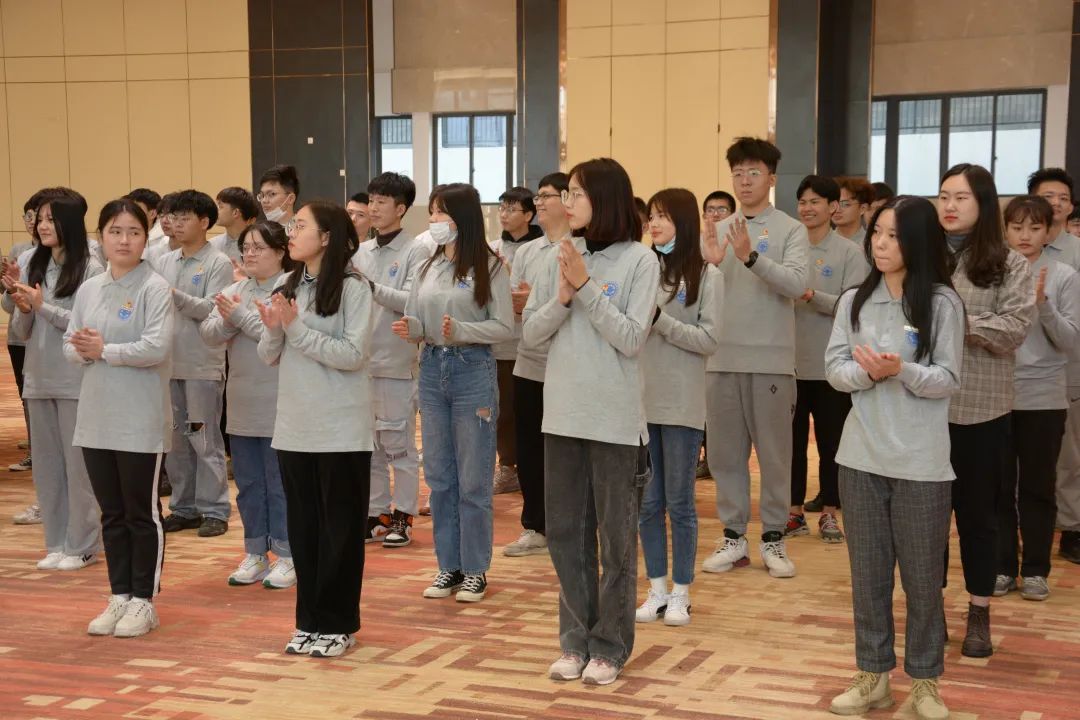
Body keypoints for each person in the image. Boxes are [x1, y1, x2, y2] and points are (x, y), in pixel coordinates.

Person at [824, 196, 963, 720]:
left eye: (893, 235)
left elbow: (948, 378)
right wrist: (868, 373)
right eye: (876, 232)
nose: (880, 243)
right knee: (869, 578)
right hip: (861, 458)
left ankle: (925, 682)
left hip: (922, 464)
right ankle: (873, 676)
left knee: (923, 581)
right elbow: (835, 369)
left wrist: (901, 370)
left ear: (918, 242)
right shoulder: (854, 301)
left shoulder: (942, 304)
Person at [522, 157, 659, 686]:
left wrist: (585, 288)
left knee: (615, 543)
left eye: (576, 193)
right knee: (565, 536)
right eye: (567, 193)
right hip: (562, 416)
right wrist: (562, 297)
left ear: (604, 199)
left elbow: (630, 338)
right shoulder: (560, 254)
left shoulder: (640, 261)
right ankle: (575, 641)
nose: (566, 202)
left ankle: (610, 646)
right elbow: (531, 334)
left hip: (615, 423)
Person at [256, 201, 373, 658]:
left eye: (300, 225)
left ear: (326, 237)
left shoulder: (353, 288)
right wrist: (274, 328)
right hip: (295, 428)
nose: (291, 232)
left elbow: (353, 355)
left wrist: (296, 329)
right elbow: (270, 354)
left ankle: (338, 624)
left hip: (340, 429)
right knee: (303, 532)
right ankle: (308, 621)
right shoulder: (288, 285)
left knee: (339, 531)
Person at [394, 183, 513, 603]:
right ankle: (449, 565)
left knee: (473, 479)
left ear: (462, 218)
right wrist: (413, 329)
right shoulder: (428, 266)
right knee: (440, 477)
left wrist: (463, 330)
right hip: (431, 367)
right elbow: (416, 317)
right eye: (432, 212)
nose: (434, 221)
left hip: (472, 370)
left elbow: (504, 326)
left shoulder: (490, 267)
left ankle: (475, 569)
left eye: (441, 213)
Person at [938, 163, 1034, 658]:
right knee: (927, 520)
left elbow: (1013, 330)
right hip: (925, 409)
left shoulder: (1008, 263)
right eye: (943, 196)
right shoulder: (923, 255)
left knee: (978, 518)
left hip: (982, 410)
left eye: (961, 197)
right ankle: (930, 610)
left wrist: (956, 321)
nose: (949, 206)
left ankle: (978, 612)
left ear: (984, 204)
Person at [65, 198, 174, 638]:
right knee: (111, 512)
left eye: (133, 232)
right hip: (96, 417)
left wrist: (103, 350)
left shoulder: (155, 287)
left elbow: (156, 347)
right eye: (115, 231)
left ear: (146, 238)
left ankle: (144, 600)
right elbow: (69, 344)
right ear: (101, 237)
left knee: (141, 513)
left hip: (140, 419)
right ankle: (120, 595)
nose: (124, 240)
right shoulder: (89, 289)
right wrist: (83, 350)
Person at [700, 137, 808, 580]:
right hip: (721, 358)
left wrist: (750, 258)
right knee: (725, 456)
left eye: (753, 173)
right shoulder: (717, 229)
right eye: (737, 173)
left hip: (771, 361)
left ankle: (774, 538)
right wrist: (709, 265)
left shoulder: (790, 229)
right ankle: (734, 537)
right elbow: (700, 296)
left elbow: (797, 284)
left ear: (771, 178)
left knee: (775, 456)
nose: (744, 181)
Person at [634, 188, 722, 628]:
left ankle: (682, 593)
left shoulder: (707, 274)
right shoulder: (642, 267)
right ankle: (657, 589)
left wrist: (661, 322)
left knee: (681, 503)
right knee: (648, 504)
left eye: (664, 216)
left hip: (683, 403)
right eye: (652, 216)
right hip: (641, 402)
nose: (654, 223)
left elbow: (708, 339)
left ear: (684, 222)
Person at [9, 195, 105, 570]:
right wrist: (23, 309)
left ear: (70, 222)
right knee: (48, 468)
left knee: (78, 468)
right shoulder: (32, 261)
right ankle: (56, 542)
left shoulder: (91, 268)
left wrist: (41, 306)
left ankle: (83, 544)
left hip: (74, 379)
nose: (43, 225)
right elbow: (22, 330)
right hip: (38, 377)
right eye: (40, 220)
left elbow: (84, 326)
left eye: (51, 219)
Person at [200, 221, 295, 588]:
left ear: (281, 251)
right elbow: (209, 333)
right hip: (241, 402)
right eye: (246, 247)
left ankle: (287, 554)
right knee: (250, 484)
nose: (250, 254)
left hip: (280, 402)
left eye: (259, 247)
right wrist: (231, 322)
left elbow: (279, 334)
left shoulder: (291, 288)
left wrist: (238, 317)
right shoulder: (234, 289)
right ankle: (255, 551)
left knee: (280, 484)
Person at [996, 195, 1080, 601]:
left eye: (1034, 228)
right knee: (998, 487)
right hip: (996, 395)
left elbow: (1070, 341)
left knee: (1038, 487)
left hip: (1044, 397)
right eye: (1016, 227)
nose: (1025, 235)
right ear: (1005, 231)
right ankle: (1001, 566)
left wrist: (1043, 304)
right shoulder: (992, 271)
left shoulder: (1064, 275)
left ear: (1048, 232)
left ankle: (1035, 569)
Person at [788, 175, 869, 540]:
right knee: (790, 444)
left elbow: (853, 306)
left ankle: (830, 513)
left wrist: (809, 295)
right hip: (788, 363)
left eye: (815, 201)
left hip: (831, 366)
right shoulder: (789, 247)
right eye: (802, 202)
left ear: (833, 207)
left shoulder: (850, 253)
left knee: (831, 444)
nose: (807, 208)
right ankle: (793, 512)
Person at [152, 190, 234, 537]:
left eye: (184, 217)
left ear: (204, 222)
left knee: (204, 439)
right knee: (175, 442)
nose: (176, 223)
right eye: (173, 217)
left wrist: (175, 296)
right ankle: (184, 508)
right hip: (168, 364)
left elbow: (213, 309)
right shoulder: (164, 262)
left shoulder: (218, 263)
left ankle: (214, 509)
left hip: (202, 364)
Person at [353, 172, 427, 548]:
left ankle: (404, 515)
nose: (373, 207)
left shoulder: (416, 251)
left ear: (401, 208)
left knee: (399, 446)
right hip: (360, 364)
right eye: (371, 200)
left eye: (382, 201)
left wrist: (369, 286)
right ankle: (377, 513)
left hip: (396, 362)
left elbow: (413, 302)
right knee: (370, 446)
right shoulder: (360, 251)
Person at [502, 172, 571, 558]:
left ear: (568, 200)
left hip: (565, 365)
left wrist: (534, 303)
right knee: (529, 449)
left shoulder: (577, 248)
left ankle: (567, 524)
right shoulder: (528, 251)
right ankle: (535, 525)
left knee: (562, 450)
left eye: (547, 196)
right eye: (538, 197)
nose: (539, 202)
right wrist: (523, 303)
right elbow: (516, 304)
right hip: (528, 362)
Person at [1025, 170, 1080, 564]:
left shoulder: (1073, 258)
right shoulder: (1009, 256)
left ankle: (1071, 528)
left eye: (1063, 197)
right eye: (1048, 196)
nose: (1057, 203)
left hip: (1065, 367)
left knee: (1068, 457)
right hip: (1019, 377)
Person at [491, 186, 544, 495]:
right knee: (502, 411)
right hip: (500, 342)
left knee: (530, 411)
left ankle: (532, 467)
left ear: (528, 215)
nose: (504, 214)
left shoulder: (540, 248)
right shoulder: (491, 248)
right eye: (502, 208)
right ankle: (507, 466)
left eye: (512, 209)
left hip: (531, 342)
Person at [3, 191, 42, 480]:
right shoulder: (20, 251)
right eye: (28, 216)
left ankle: (41, 448)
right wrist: (11, 288)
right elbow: (7, 305)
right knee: (26, 394)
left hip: (45, 339)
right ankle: (35, 447)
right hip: (19, 336)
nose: (33, 222)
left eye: (38, 217)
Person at [212, 186, 259, 264]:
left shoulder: (260, 246)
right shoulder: (212, 244)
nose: (215, 211)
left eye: (220, 207)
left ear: (236, 213)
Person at [833, 176, 872, 246]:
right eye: (833, 204)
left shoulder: (872, 243)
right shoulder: (820, 241)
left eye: (845, 204)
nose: (837, 210)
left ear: (862, 208)